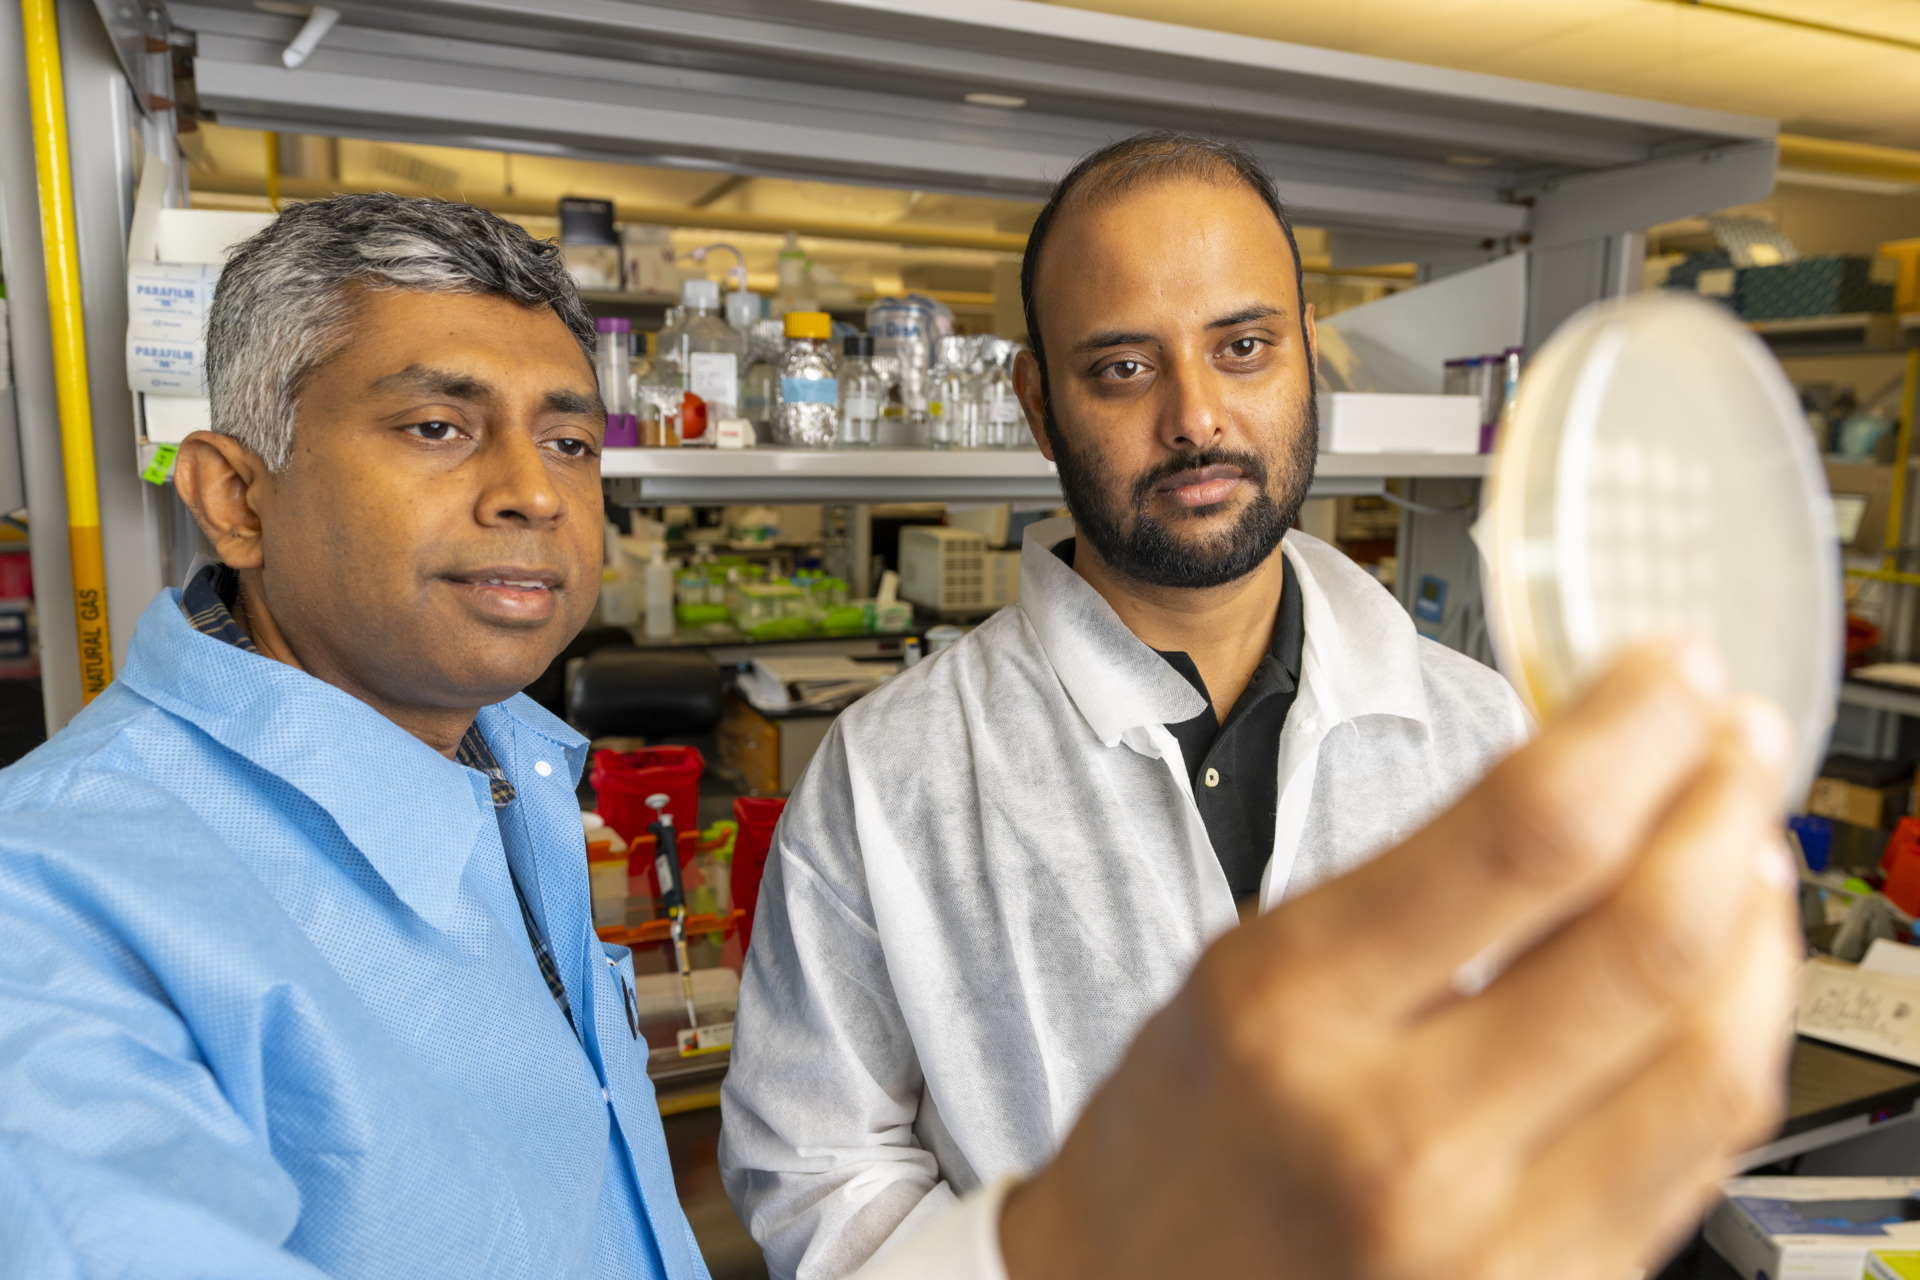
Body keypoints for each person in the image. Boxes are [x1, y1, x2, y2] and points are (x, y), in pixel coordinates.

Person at [0, 189, 1794, 1280]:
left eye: (565, 438)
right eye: (443, 428)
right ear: (232, 495)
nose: (535, 500)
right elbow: (813, 1170)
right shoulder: (52, 912)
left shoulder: (508, 791)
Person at [718, 132, 1800, 1279]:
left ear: (1304, 356)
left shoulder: (1481, 728)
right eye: (1124, 367)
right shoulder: (892, 769)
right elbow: (816, 1164)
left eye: (1242, 346)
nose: (1198, 416)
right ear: (1038, 405)